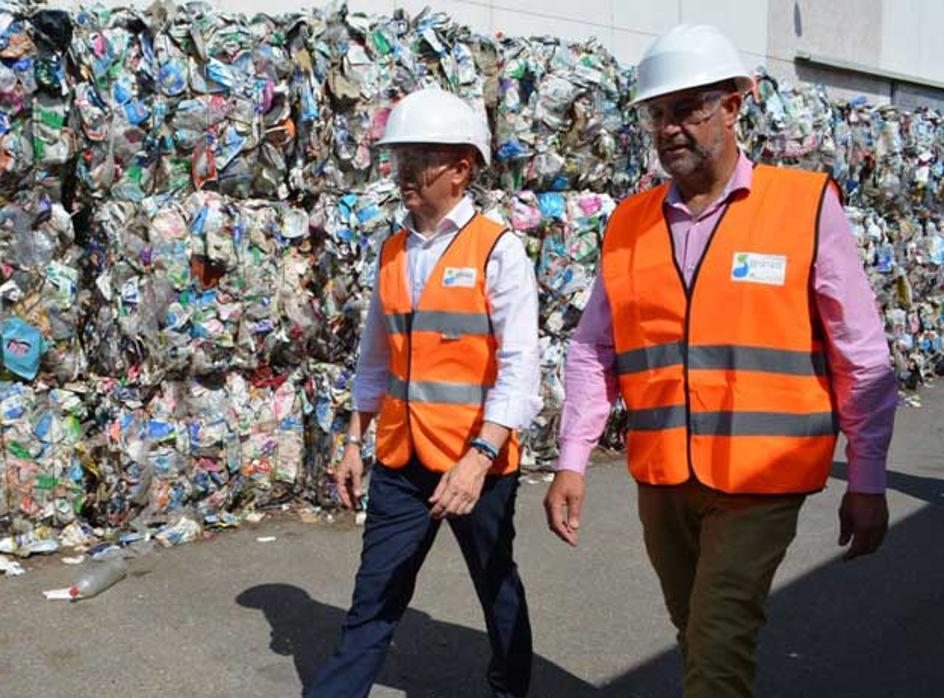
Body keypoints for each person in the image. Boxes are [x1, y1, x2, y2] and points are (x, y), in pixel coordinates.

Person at [543, 24, 898, 698]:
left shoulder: (803, 206)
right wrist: (571, 459)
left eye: (688, 108)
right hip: (664, 478)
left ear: (735, 104)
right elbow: (595, 348)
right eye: (658, 113)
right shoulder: (629, 222)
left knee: (717, 647)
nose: (669, 128)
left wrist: (869, 475)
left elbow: (861, 351)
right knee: (698, 632)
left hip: (763, 481)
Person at [307, 87, 542, 698]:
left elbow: (521, 370)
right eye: (398, 160)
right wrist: (354, 441)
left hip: (477, 464)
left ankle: (511, 683)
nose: (404, 174)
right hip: (403, 459)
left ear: (462, 169)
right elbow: (376, 357)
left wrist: (481, 456)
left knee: (495, 582)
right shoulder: (392, 251)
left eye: (420, 160)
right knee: (374, 594)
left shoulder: (498, 250)